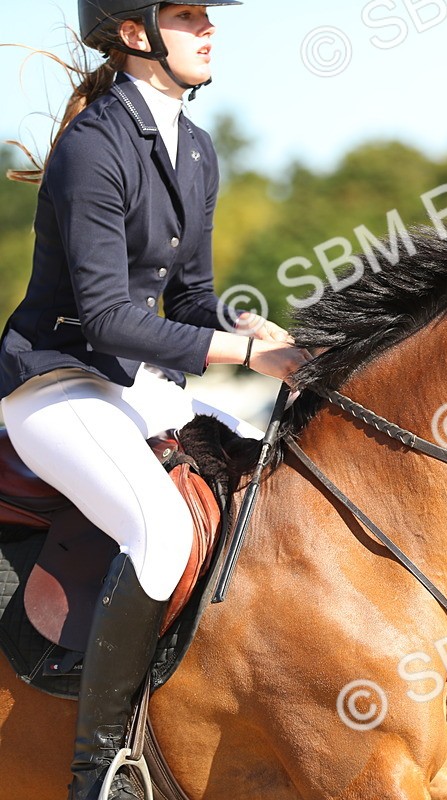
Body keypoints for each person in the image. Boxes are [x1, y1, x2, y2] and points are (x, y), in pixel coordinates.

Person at [0, 3, 311, 798]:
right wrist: (246, 354)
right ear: (135, 33)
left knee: (273, 478)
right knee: (163, 532)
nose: (209, 30)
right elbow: (107, 316)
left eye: (208, 15)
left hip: (135, 387)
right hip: (59, 381)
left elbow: (193, 297)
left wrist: (252, 326)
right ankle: (100, 767)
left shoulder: (196, 146)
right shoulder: (93, 148)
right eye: (187, 16)